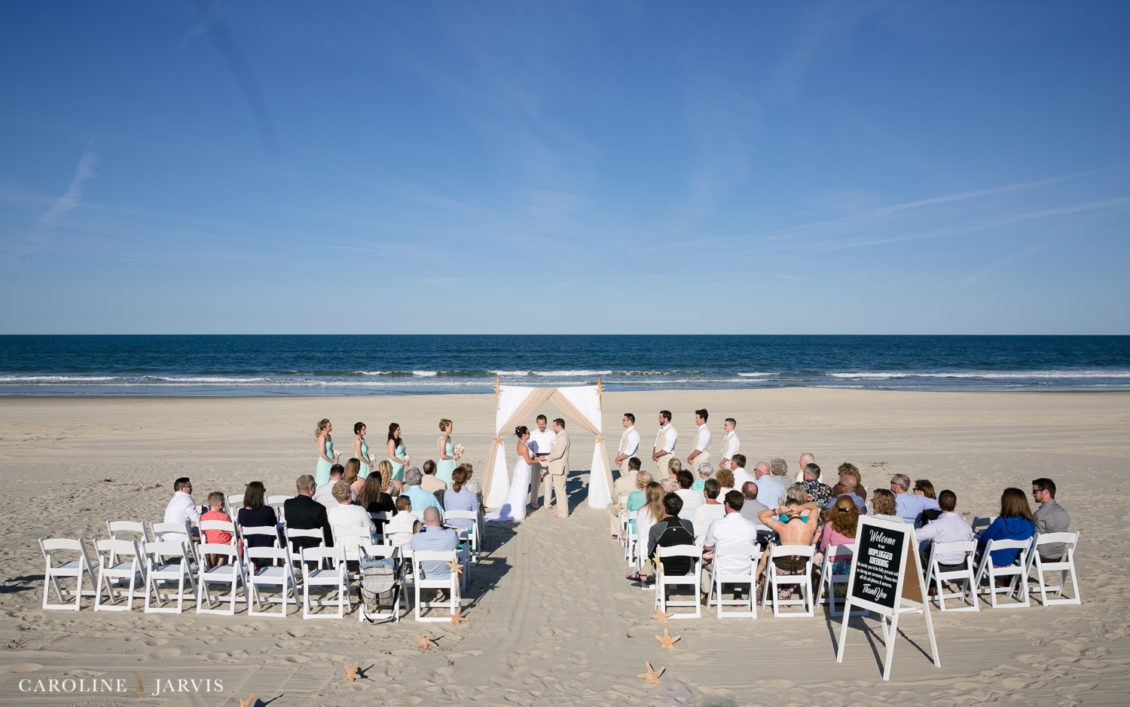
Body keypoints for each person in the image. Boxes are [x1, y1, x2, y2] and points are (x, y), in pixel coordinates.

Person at [700, 490, 760, 599]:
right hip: (745, 568)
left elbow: (707, 546)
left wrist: (716, 547)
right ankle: (737, 594)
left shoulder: (717, 524)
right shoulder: (751, 525)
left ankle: (707, 595)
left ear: (727, 504)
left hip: (722, 568)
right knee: (738, 557)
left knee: (701, 562)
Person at [756, 497, 821, 582]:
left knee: (770, 546)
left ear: (786, 513)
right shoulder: (810, 526)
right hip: (800, 569)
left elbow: (760, 515)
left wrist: (777, 511)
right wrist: (801, 507)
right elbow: (814, 506)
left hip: (782, 568)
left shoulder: (781, 526)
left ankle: (756, 575)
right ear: (800, 511)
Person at [491, 425, 542, 522]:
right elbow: (528, 461)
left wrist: (534, 456)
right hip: (523, 470)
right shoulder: (523, 446)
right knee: (521, 490)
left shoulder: (521, 443)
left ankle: (517, 509)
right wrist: (539, 459)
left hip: (521, 468)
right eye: (528, 433)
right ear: (523, 434)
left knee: (518, 489)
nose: (529, 434)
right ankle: (518, 512)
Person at [915, 489, 974, 572]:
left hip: (939, 567)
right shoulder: (966, 525)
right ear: (955, 505)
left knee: (916, 552)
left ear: (938, 505)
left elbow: (914, 536)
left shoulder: (936, 525)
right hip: (961, 566)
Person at [977, 487, 1035, 567]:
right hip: (1010, 560)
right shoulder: (1030, 524)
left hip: (991, 560)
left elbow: (985, 538)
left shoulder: (1001, 521)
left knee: (971, 552)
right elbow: (1030, 546)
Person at [645, 493, 696, 579]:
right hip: (684, 569)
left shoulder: (656, 528)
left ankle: (643, 574)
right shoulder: (688, 525)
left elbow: (650, 554)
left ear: (664, 508)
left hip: (664, 569)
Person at [284, 474, 333, 552]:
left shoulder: (288, 504)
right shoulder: (319, 508)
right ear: (311, 488)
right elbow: (326, 533)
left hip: (294, 547)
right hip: (314, 548)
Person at [627, 482, 664, 584]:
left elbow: (639, 530)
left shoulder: (642, 510)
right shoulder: (663, 510)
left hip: (645, 544)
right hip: (659, 544)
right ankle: (641, 571)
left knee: (642, 540)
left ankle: (638, 571)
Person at [411, 507, 460, 580]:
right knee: (461, 567)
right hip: (449, 576)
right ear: (440, 518)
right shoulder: (451, 535)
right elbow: (457, 544)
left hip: (426, 577)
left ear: (424, 521)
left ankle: (439, 589)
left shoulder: (416, 538)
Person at [1032, 477, 1071, 560]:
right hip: (1058, 557)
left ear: (1045, 492)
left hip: (1040, 558)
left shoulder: (1039, 514)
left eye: (1035, 491)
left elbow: (1033, 538)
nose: (1033, 494)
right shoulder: (1064, 512)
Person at [237, 481, 279, 556]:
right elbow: (274, 526)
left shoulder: (241, 512)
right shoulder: (268, 510)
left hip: (249, 546)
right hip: (267, 546)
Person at [544, 418, 571, 518]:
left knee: (560, 491)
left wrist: (547, 457)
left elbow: (559, 453)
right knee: (559, 490)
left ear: (559, 426)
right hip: (557, 467)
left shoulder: (563, 437)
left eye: (554, 426)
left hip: (560, 468)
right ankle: (561, 511)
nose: (553, 427)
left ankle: (563, 513)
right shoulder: (560, 436)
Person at [528, 414, 556, 509]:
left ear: (546, 423)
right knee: (535, 482)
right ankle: (534, 503)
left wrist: (548, 456)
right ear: (537, 423)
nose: (541, 426)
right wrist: (534, 454)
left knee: (548, 483)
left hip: (548, 459)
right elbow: (529, 446)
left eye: (543, 424)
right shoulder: (533, 433)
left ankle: (547, 503)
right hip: (536, 460)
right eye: (539, 424)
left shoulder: (552, 434)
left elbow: (555, 447)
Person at [162, 477, 200, 544]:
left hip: (166, 540)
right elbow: (196, 518)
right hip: (183, 539)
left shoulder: (173, 500)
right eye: (189, 487)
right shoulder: (186, 498)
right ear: (181, 488)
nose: (191, 489)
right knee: (206, 533)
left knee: (194, 529)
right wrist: (206, 516)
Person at [444, 466, 480, 534]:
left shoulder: (447, 493)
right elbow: (477, 514)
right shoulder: (471, 495)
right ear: (466, 479)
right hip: (467, 528)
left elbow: (447, 509)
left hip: (451, 527)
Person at [200, 492, 232, 567]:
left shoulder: (203, 517)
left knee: (217, 537)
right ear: (220, 503)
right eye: (223, 501)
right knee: (237, 541)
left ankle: (214, 563)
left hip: (210, 542)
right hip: (224, 543)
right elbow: (232, 533)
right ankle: (221, 562)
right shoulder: (225, 517)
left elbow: (202, 532)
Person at [692, 478, 726, 545]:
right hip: (719, 543)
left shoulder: (700, 509)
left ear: (705, 492)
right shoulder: (724, 508)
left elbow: (695, 532)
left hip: (702, 544)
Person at [651, 410, 677, 481]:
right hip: (659, 459)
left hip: (666, 459)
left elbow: (667, 449)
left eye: (660, 418)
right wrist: (654, 454)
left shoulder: (671, 431)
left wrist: (655, 455)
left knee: (666, 480)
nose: (659, 419)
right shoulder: (660, 429)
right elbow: (656, 444)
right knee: (660, 480)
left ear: (666, 418)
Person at [436, 418, 459, 487]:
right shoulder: (442, 439)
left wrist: (457, 452)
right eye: (450, 427)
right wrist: (453, 457)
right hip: (445, 465)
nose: (452, 428)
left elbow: (451, 451)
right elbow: (442, 455)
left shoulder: (449, 438)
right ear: (445, 427)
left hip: (451, 464)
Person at [314, 418, 336, 487]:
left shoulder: (329, 436)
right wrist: (332, 462)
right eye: (329, 426)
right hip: (324, 462)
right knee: (323, 479)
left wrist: (335, 456)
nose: (331, 428)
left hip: (331, 460)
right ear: (324, 428)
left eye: (331, 426)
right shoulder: (322, 437)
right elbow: (322, 453)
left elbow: (330, 450)